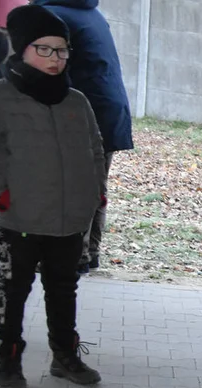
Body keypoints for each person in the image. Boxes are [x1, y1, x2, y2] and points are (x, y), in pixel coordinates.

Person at [0, 5, 106, 388]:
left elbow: (94, 150)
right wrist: (0, 193)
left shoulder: (76, 102)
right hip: (17, 219)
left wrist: (92, 194)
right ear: (21, 49)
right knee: (10, 293)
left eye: (61, 50)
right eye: (45, 49)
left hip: (68, 220)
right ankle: (7, 362)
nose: (55, 59)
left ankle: (65, 356)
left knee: (63, 290)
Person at [32, 0, 133, 273]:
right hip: (107, 110)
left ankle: (72, 258)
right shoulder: (89, 12)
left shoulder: (52, 16)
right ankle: (87, 254)